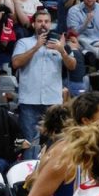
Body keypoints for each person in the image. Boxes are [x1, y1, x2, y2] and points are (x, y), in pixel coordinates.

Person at [10, 8, 75, 143]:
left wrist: (62, 51)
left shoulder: (60, 44)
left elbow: (72, 66)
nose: (43, 24)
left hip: (53, 102)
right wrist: (36, 47)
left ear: (50, 24)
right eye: (39, 21)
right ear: (34, 24)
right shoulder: (24, 42)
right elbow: (15, 63)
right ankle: (29, 164)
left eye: (46, 21)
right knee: (29, 143)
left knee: (55, 142)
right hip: (29, 101)